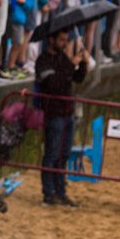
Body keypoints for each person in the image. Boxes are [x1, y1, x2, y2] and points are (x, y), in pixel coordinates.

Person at [36, 28, 88, 208]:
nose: (65, 43)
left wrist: (83, 64)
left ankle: (61, 191)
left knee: (64, 154)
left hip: (67, 113)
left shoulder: (62, 59)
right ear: (51, 39)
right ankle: (48, 193)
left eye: (66, 40)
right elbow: (53, 84)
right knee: (51, 153)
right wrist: (71, 64)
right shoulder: (43, 61)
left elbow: (76, 78)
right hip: (53, 113)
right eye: (61, 40)